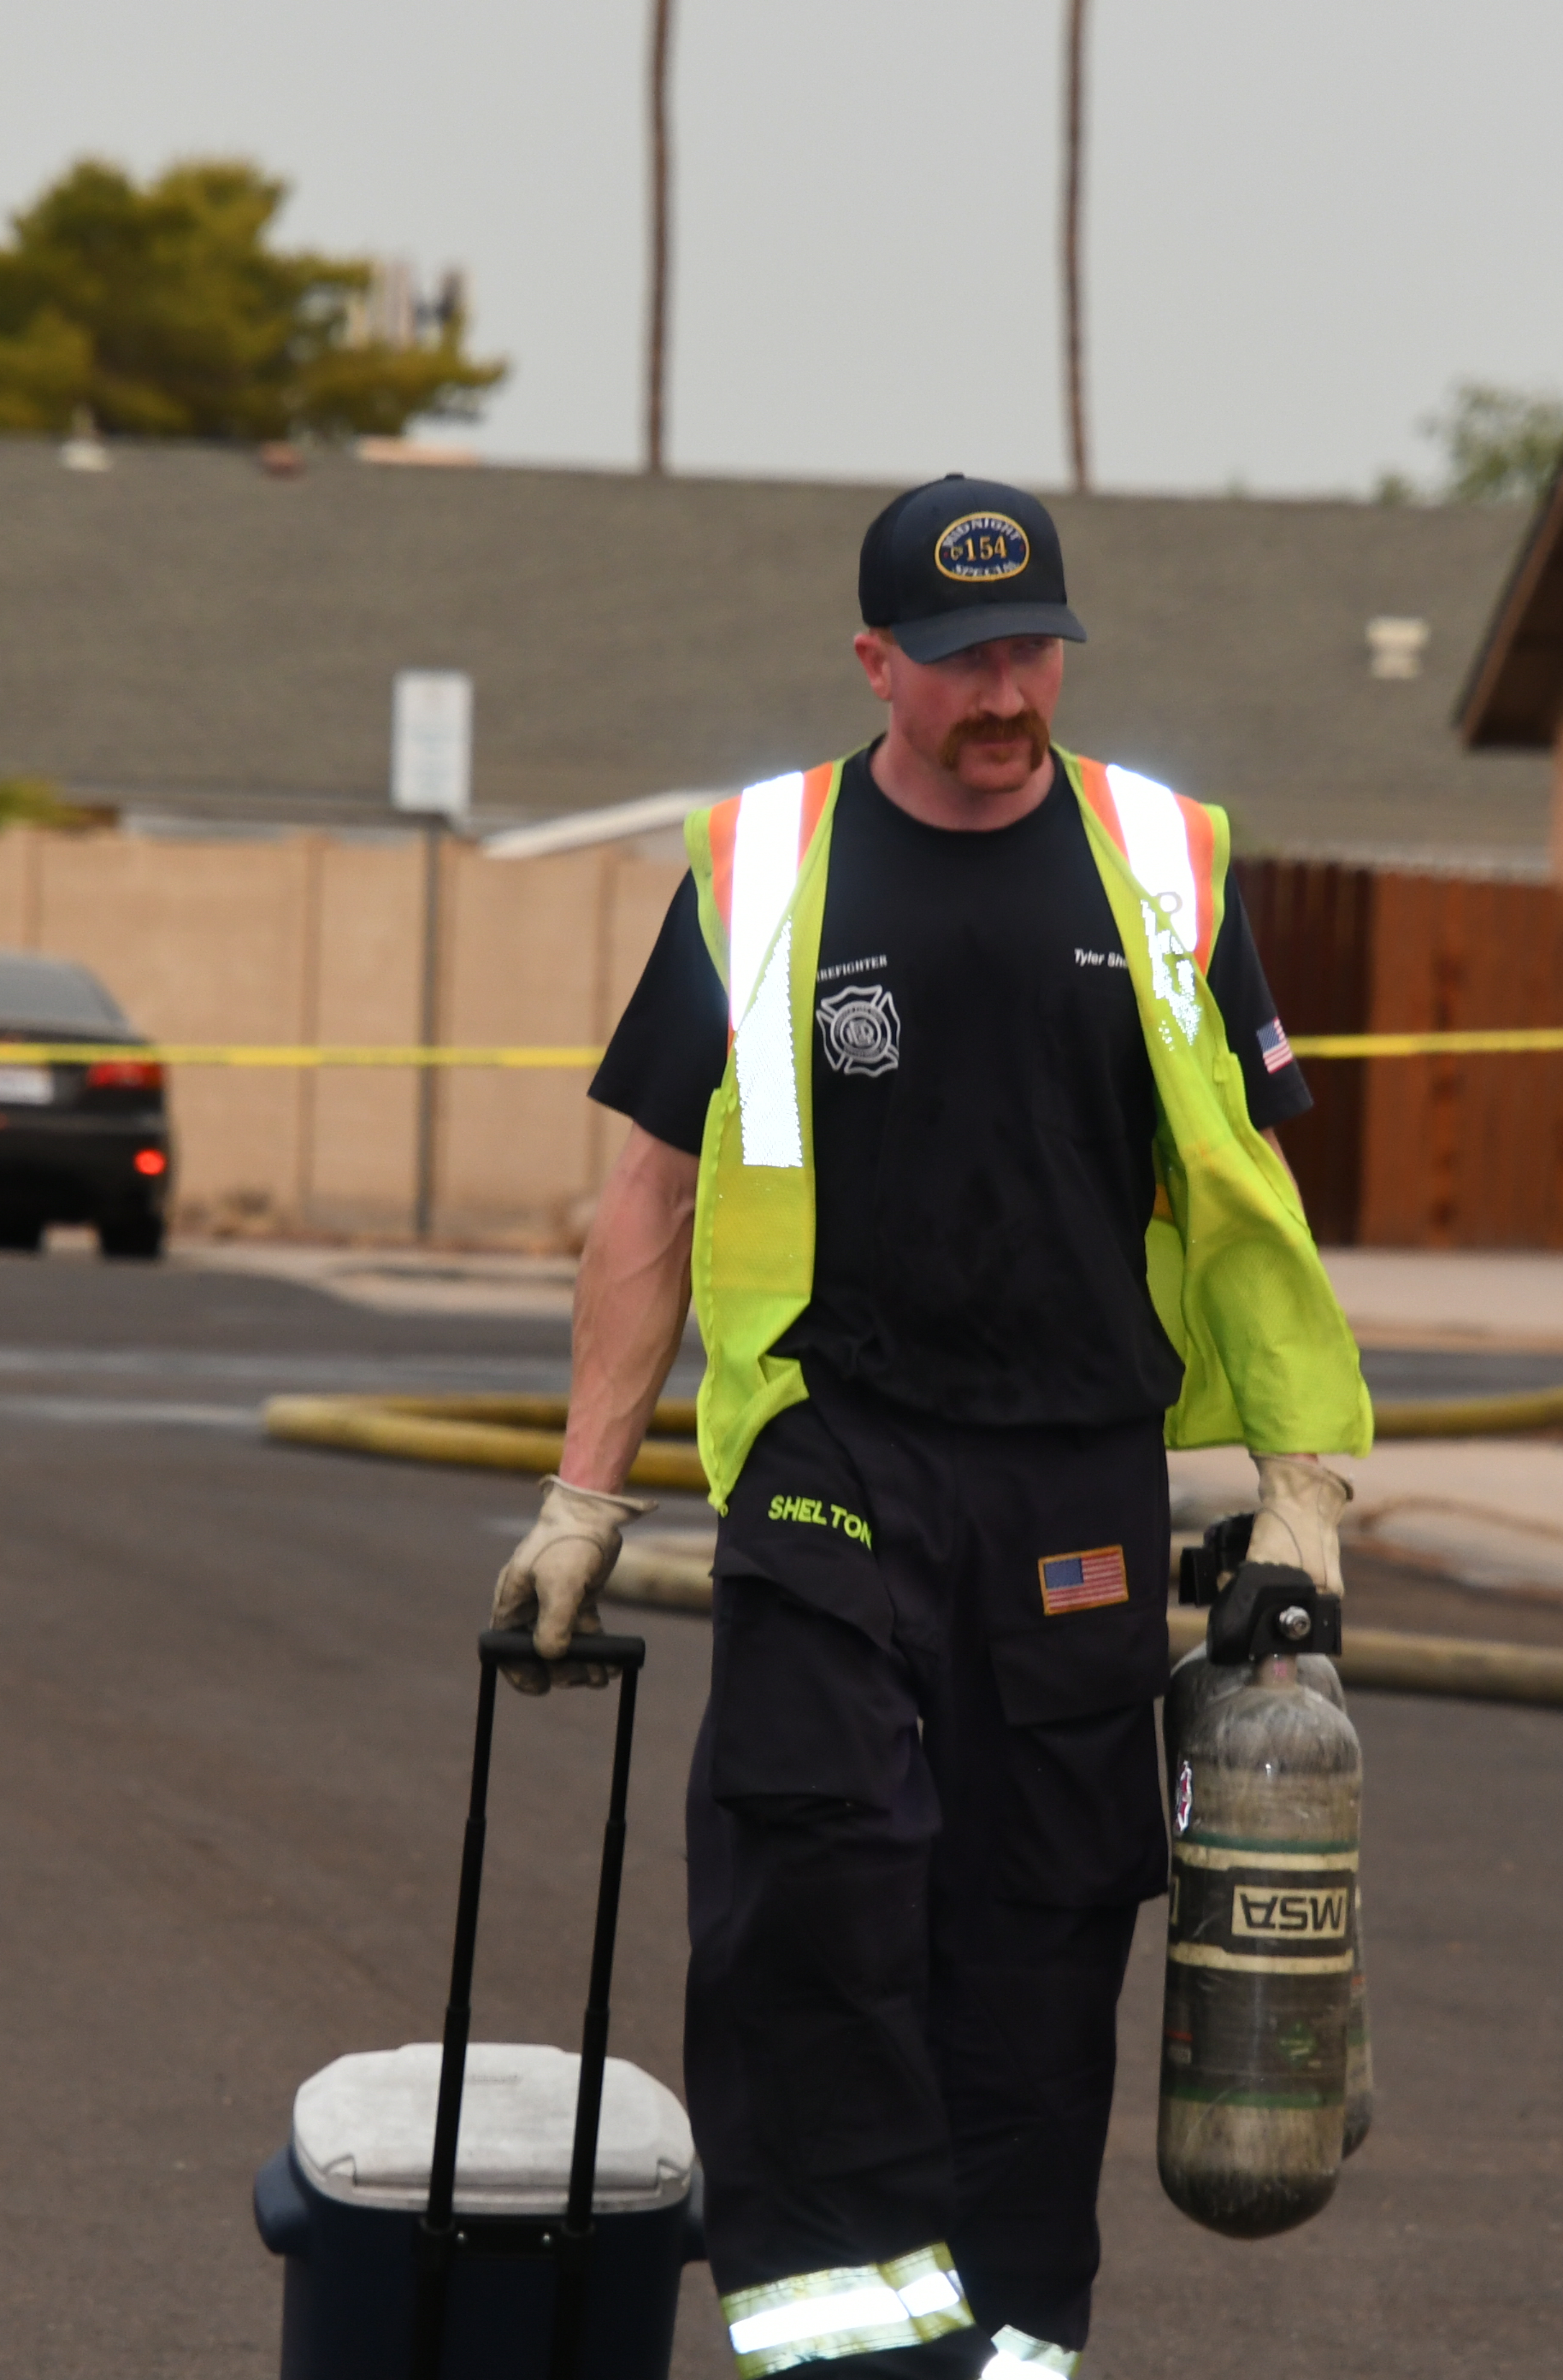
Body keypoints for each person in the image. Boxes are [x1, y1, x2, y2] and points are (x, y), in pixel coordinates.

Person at [491, 474, 1372, 2378]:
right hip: (837, 1448)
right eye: (964, 658)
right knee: (812, 1885)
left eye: (1033, 649)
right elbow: (651, 1193)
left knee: (1040, 1935)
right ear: (876, 661)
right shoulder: (760, 864)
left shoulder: (1167, 861)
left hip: (1076, 1476)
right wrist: (583, 1502)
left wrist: (1301, 1490)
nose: (1005, 692)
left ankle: (1012, 2344)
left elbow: (1246, 1202)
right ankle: (845, 2347)